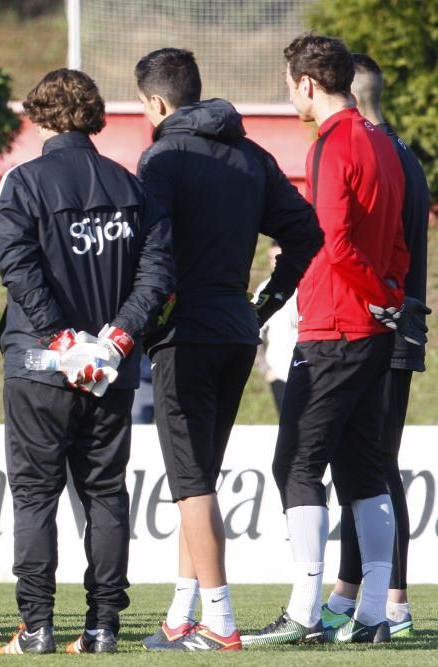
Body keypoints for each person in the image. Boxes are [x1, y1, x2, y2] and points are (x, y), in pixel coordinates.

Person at [133, 48, 322, 652]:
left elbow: (151, 257)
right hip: (236, 334)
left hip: (184, 336)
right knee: (201, 479)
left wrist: (134, 323)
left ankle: (219, 622)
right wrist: (265, 304)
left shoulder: (161, 158)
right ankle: (181, 615)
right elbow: (306, 232)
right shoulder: (252, 155)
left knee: (190, 483)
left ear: (157, 103)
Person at [0, 68, 175, 655]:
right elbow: (156, 274)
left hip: (41, 365)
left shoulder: (23, 184)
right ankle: (102, 627)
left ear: (41, 117)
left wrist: (61, 338)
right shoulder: (131, 185)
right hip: (110, 368)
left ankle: (38, 626)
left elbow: (17, 267)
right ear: (93, 116)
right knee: (105, 493)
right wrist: (118, 337)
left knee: (34, 495)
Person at [243, 33, 410, 647]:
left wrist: (371, 292)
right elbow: (397, 240)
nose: (291, 95)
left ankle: (305, 611)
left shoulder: (333, 144)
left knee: (297, 464)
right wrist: (389, 292)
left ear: (307, 84)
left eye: (291, 85)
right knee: (365, 467)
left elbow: (334, 241)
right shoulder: (380, 141)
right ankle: (372, 615)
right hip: (368, 326)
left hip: (337, 325)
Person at [322, 52, 431, 640]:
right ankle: (353, 591)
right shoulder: (403, 156)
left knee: (375, 467)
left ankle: (392, 600)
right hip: (396, 322)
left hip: (381, 325)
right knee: (366, 463)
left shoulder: (378, 155)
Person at [255, 242, 299, 414]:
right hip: (279, 373)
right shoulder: (265, 289)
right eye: (271, 258)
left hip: (306, 372)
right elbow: (255, 331)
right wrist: (265, 369)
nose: (275, 263)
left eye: (278, 258)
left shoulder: (303, 287)